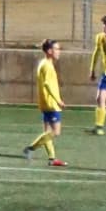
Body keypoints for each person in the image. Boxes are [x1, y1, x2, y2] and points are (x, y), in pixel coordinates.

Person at [22, 39, 68, 167]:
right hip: (51, 103)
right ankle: (30, 148)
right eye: (56, 49)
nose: (59, 52)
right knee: (55, 132)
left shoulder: (43, 63)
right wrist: (58, 100)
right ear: (49, 51)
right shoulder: (47, 66)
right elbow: (47, 84)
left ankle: (52, 159)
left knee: (47, 132)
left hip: (44, 103)